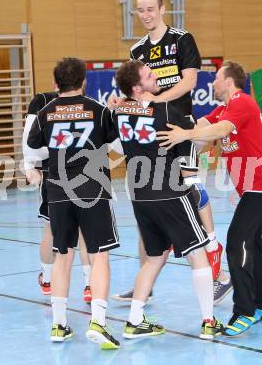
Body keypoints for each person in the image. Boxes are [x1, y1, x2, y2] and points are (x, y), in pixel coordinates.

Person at [111, 0, 231, 303]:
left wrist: (157, 101)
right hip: (153, 135)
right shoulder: (137, 49)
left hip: (181, 126)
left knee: (193, 191)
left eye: (151, 9)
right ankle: (144, 286)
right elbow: (135, 90)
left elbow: (190, 81)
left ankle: (218, 273)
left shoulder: (182, 39)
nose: (146, 15)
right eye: (140, 10)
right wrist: (124, 103)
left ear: (163, 8)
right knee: (146, 206)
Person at [157, 61, 262, 336]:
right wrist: (169, 128)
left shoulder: (242, 102)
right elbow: (200, 128)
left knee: (237, 242)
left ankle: (245, 311)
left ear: (228, 82)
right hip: (253, 186)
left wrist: (186, 134)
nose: (211, 83)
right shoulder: (225, 108)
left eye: (215, 78)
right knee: (253, 243)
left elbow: (220, 130)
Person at [105, 59, 223, 340]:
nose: (155, 75)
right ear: (137, 87)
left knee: (154, 258)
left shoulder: (118, 113)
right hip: (170, 190)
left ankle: (134, 320)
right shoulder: (168, 111)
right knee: (198, 253)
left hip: (139, 194)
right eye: (149, 74)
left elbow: (113, 142)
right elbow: (190, 161)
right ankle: (209, 321)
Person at [27, 57, 120, 349]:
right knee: (99, 255)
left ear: (57, 83)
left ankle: (59, 325)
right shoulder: (97, 109)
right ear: (83, 81)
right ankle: (99, 323)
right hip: (93, 188)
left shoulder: (45, 112)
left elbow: (32, 148)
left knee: (62, 255)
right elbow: (118, 145)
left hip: (58, 191)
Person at [23, 91, 93, 303]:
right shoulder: (87, 103)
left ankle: (47, 280)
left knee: (52, 230)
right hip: (84, 174)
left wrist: (28, 165)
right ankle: (89, 284)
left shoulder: (42, 102)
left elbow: (29, 142)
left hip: (55, 175)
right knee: (84, 233)